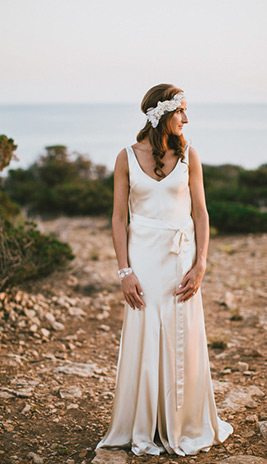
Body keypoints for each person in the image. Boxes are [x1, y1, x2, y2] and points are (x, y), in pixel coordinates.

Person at [95, 83, 233, 456]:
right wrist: (125, 272)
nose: (186, 119)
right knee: (146, 331)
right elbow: (118, 219)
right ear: (161, 114)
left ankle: (184, 420)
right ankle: (146, 423)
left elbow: (201, 213)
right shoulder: (126, 157)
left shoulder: (190, 155)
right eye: (181, 111)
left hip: (181, 259)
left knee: (181, 335)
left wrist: (201, 263)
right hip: (142, 260)